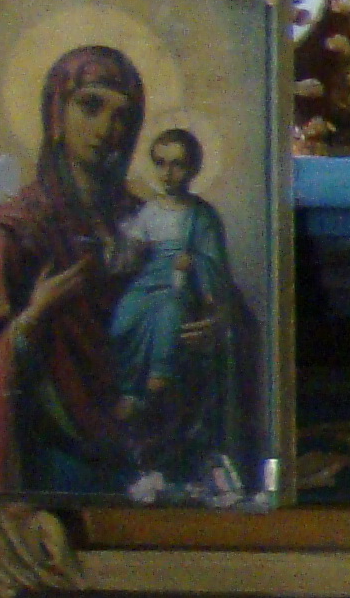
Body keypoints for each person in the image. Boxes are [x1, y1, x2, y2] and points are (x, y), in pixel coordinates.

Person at [0, 47, 148, 496]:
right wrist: (33, 318)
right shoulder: (11, 234)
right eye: (90, 106)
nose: (106, 129)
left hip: (143, 453)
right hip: (52, 462)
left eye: (122, 116)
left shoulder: (148, 224)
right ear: (57, 111)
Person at [103, 126, 255, 494]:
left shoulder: (201, 216)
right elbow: (128, 253)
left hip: (180, 286)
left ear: (193, 169)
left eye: (178, 165)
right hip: (149, 281)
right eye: (161, 164)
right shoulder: (148, 211)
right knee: (122, 321)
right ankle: (131, 389)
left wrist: (196, 264)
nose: (168, 173)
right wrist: (123, 249)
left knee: (170, 312)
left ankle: (159, 374)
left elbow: (215, 266)